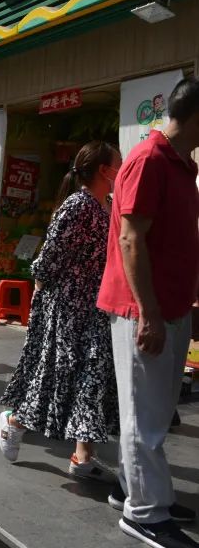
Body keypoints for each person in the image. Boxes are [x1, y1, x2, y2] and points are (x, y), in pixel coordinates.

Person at [97, 78, 199, 548]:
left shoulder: (181, 164)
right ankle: (144, 514)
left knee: (155, 409)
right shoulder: (149, 160)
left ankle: (134, 489)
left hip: (170, 306)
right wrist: (149, 314)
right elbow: (131, 238)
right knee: (147, 416)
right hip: (145, 308)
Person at [0, 141, 121, 480]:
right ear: (104, 170)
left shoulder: (109, 204)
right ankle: (15, 421)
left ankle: (82, 456)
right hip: (68, 307)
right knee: (58, 375)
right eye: (118, 163)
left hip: (97, 306)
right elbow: (48, 257)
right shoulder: (77, 205)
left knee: (92, 376)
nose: (122, 168)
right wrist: (44, 296)